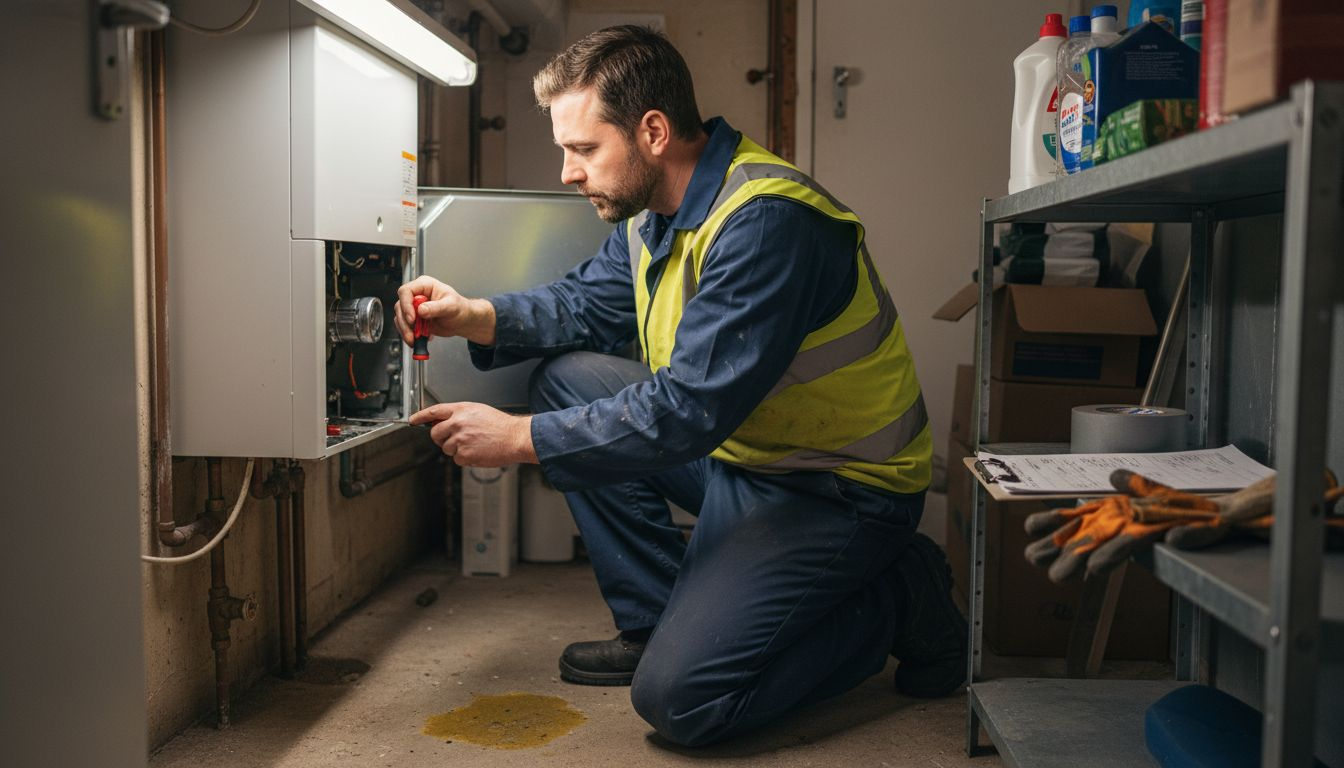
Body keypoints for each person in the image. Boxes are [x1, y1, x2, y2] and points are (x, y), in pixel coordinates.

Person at [394, 25, 966, 747]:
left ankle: (899, 596)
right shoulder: (652, 217)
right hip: (747, 458)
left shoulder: (767, 223)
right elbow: (581, 306)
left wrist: (517, 440)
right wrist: (470, 316)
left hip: (840, 486)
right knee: (569, 379)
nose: (569, 172)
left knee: (685, 702)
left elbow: (688, 411)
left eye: (582, 149)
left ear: (653, 132)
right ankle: (656, 621)